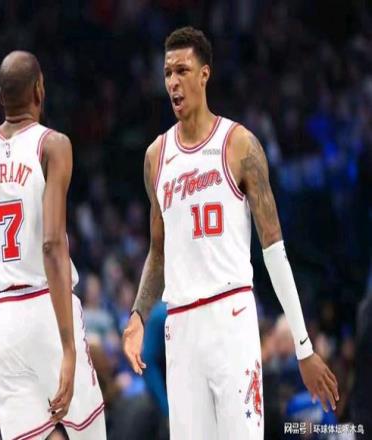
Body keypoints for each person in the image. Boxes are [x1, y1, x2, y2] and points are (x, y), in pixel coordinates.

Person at [122, 27, 339, 440]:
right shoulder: (156, 156)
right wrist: (137, 315)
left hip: (231, 317)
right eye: (167, 73)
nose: (173, 82)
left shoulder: (239, 145)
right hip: (180, 328)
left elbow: (274, 250)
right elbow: (158, 251)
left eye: (182, 70)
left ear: (205, 74)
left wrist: (303, 346)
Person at [0, 50, 106, 440]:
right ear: (39, 90)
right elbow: (52, 245)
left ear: (0, 96)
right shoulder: (53, 145)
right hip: (48, 306)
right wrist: (68, 348)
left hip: (3, 324)